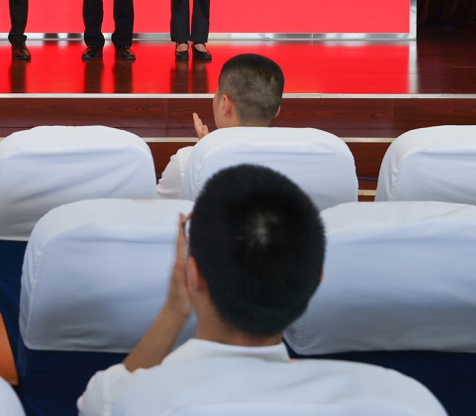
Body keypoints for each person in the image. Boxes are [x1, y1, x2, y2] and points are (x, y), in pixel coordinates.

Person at [77, 163, 325, 416]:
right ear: (318, 278)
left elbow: (108, 398)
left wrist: (173, 311)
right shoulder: (346, 398)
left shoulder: (119, 402)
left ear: (192, 275)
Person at [157, 53, 283, 198]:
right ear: (277, 110)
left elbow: (157, 208)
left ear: (225, 104)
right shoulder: (298, 159)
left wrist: (206, 150)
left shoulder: (186, 162)